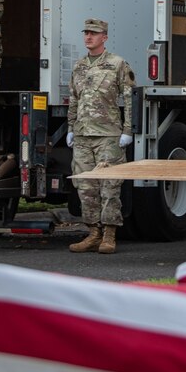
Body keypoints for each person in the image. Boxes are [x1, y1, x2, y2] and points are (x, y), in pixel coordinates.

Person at [66, 19, 135, 254]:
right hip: (84, 134)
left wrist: (127, 131)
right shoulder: (79, 66)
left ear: (104, 37)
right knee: (85, 187)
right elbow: (74, 98)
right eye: (86, 33)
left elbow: (129, 99)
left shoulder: (117, 64)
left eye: (93, 33)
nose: (88, 37)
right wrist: (71, 128)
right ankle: (93, 233)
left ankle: (109, 234)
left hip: (108, 135)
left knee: (109, 187)